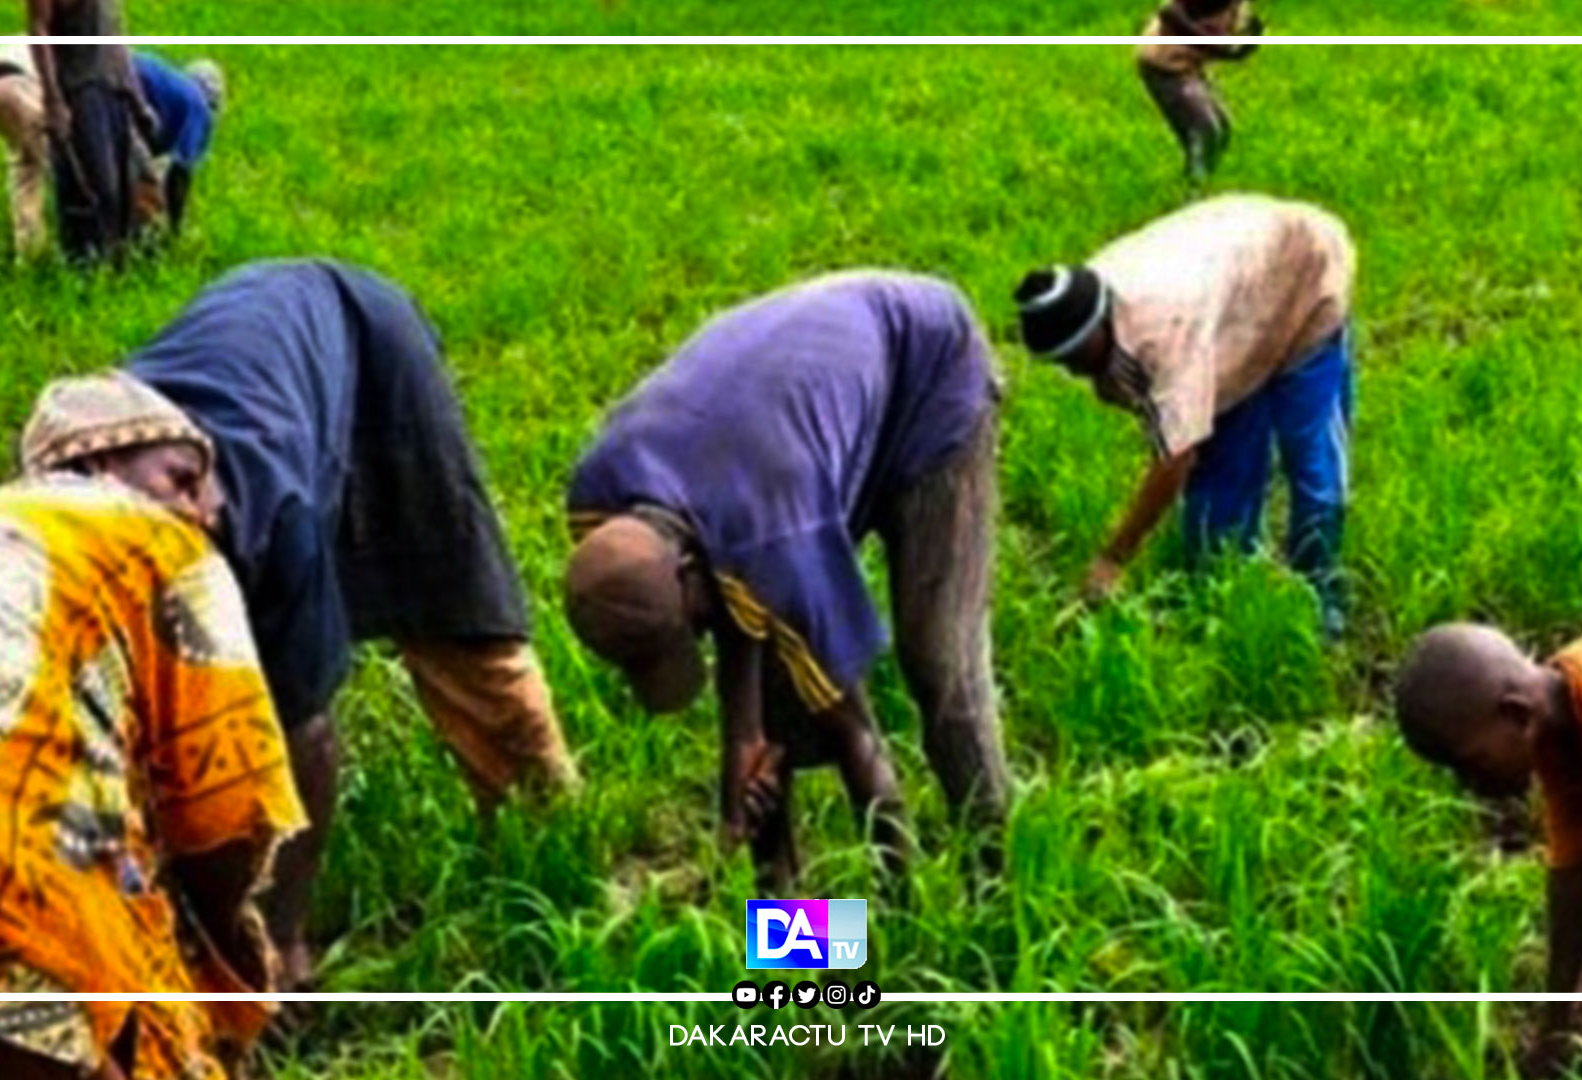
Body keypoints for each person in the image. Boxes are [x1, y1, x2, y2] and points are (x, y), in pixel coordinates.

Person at [114, 259, 578, 989]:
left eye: (195, 496)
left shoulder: (263, 516)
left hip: (371, 341)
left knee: (451, 599)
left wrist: (286, 933)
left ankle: (549, 838)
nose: (196, 511)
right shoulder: (61, 514)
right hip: (270, 359)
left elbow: (307, 734)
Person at [563, 270, 1008, 891]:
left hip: (928, 379)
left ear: (689, 570)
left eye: (689, 629)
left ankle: (994, 885)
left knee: (937, 661)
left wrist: (900, 913)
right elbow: (730, 607)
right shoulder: (600, 502)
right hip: (784, 433)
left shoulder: (775, 544)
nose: (697, 641)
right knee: (772, 721)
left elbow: (861, 748)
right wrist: (740, 765)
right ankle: (799, 945)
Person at [0, 373, 304, 1080]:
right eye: (184, 479)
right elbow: (225, 814)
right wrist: (237, 969)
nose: (206, 513)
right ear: (96, 467)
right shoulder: (151, 537)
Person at [1014, 193, 1356, 637]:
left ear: (1099, 326)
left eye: (1076, 356)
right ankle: (1226, 596)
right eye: (1062, 362)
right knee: (1221, 492)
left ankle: (1321, 590)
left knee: (1311, 458)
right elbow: (1173, 425)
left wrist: (1113, 557)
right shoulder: (1088, 302)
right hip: (1233, 304)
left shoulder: (1162, 332)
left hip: (1300, 271)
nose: (1074, 370)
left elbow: (1175, 457)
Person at [1393, 613, 1582, 1074]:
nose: (1469, 786)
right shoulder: (1565, 700)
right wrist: (1554, 1033)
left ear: (1517, 715)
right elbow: (1572, 874)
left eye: (1469, 763)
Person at [26, 0, 155, 260]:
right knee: (94, 190)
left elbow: (118, 40)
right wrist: (53, 100)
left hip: (115, 88)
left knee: (122, 192)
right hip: (80, 89)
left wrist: (138, 101)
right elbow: (38, 28)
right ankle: (85, 273)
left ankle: (115, 273)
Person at [1136, 0, 1262, 184]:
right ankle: (1195, 186)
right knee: (1207, 129)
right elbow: (1169, 12)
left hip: (1187, 66)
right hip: (1165, 67)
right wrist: (1209, 44)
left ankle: (1202, 178)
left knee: (1221, 127)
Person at [0, 44, 50, 257]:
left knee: (25, 165)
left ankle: (29, 251)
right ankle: (86, 249)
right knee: (61, 165)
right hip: (16, 81)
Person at [129, 52, 224, 234]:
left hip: (113, 69)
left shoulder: (174, 89)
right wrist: (175, 227)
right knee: (144, 195)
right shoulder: (199, 108)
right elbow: (180, 173)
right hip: (120, 87)